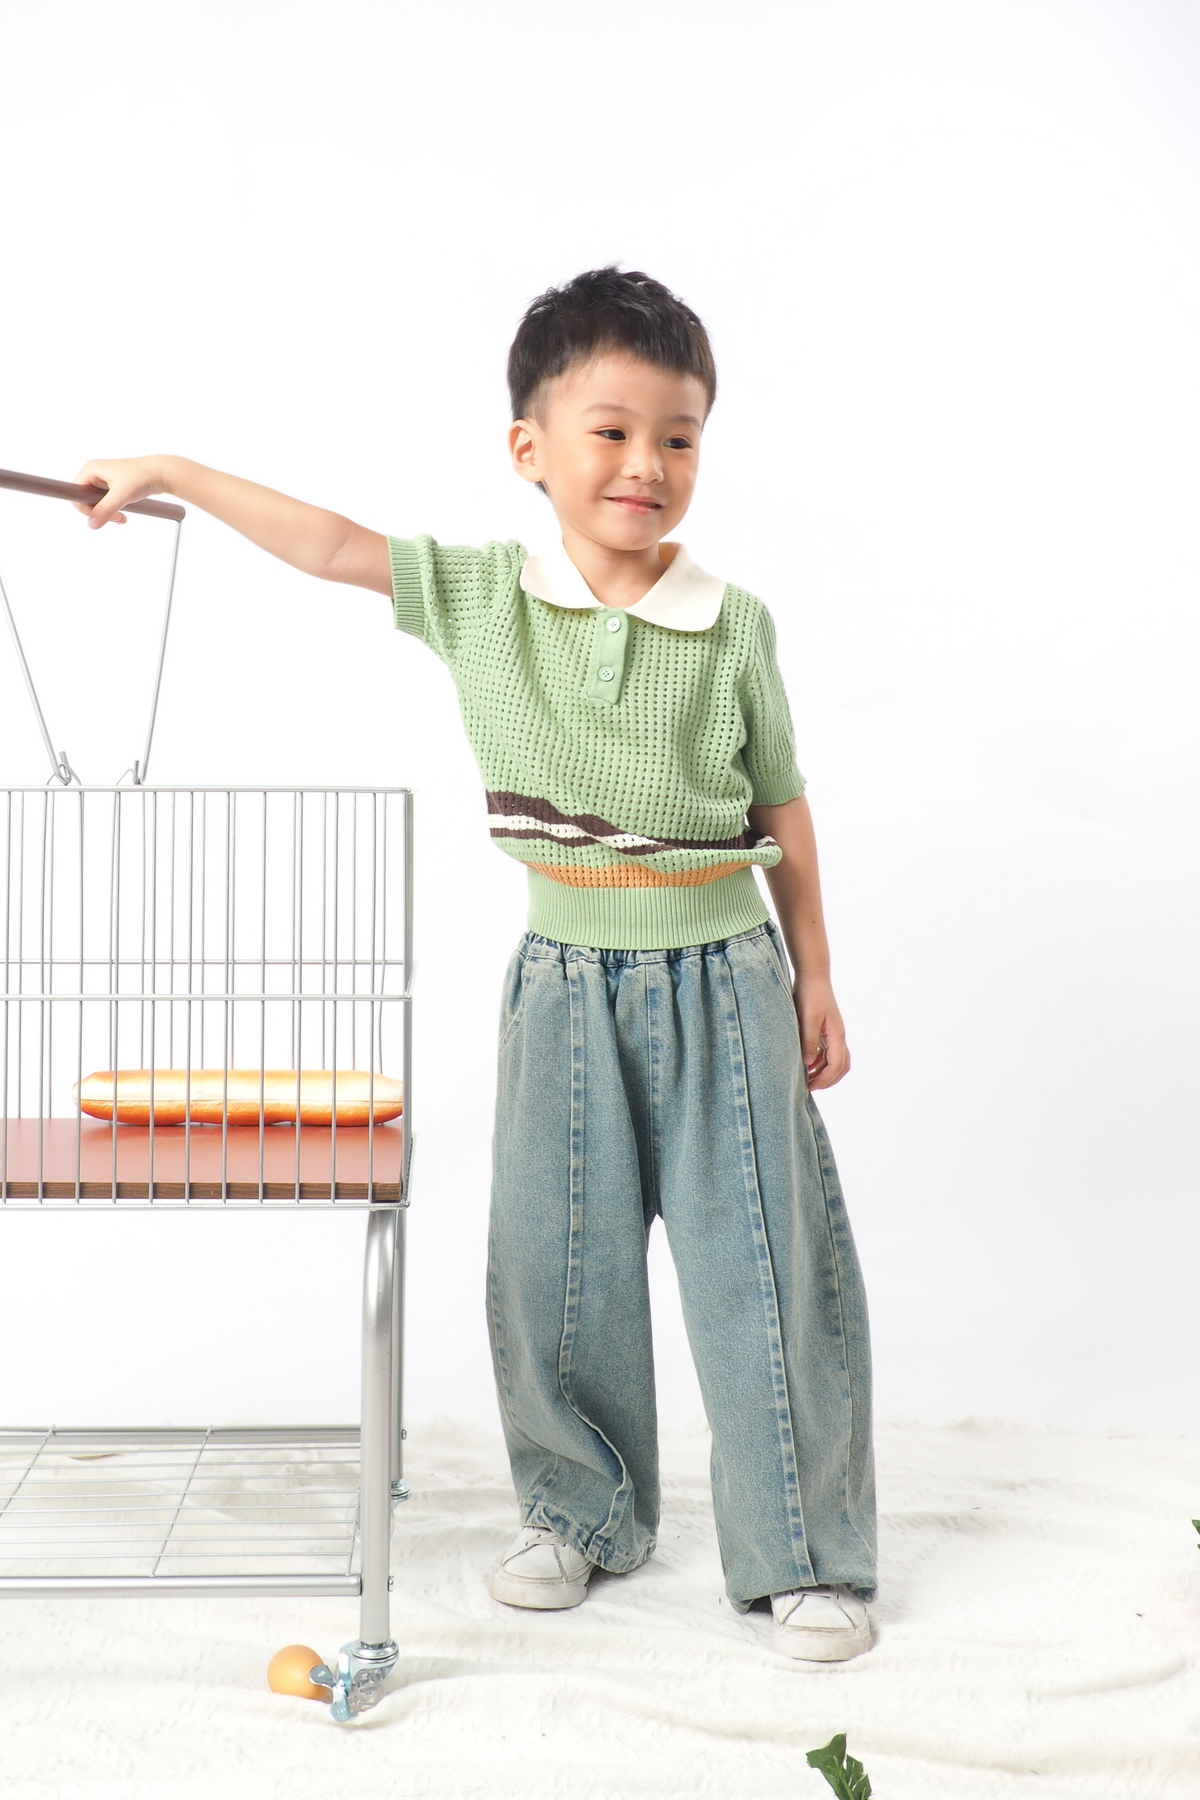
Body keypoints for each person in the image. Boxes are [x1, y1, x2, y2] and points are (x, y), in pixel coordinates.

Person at [76, 266, 877, 1662]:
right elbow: (331, 543)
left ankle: (802, 1553)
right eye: (611, 431)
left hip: (724, 977)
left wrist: (815, 975)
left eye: (679, 436)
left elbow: (784, 807)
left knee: (759, 1263)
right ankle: (580, 1514)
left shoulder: (733, 623)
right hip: (562, 982)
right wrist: (174, 471)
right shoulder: (482, 597)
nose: (646, 465)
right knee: (556, 1260)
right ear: (530, 448)